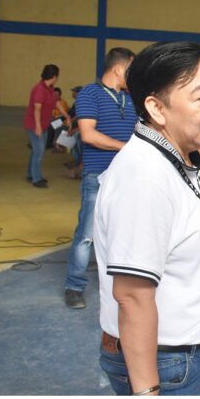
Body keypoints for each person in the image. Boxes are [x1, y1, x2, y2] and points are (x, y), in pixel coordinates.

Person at [95, 41, 200, 399]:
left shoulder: (181, 162)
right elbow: (133, 297)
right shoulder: (144, 177)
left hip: (186, 354)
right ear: (156, 107)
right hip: (163, 362)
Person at [63, 48, 138, 310]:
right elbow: (88, 135)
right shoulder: (89, 94)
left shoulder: (131, 99)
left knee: (124, 234)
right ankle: (74, 286)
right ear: (118, 69)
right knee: (87, 234)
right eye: (131, 68)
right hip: (98, 176)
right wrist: (125, 147)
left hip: (126, 178)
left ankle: (122, 287)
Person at [24, 64, 61, 188]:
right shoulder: (39, 89)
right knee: (39, 151)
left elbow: (56, 103)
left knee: (36, 150)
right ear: (54, 76)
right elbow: (37, 109)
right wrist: (38, 126)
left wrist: (66, 115)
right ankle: (37, 179)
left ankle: (31, 174)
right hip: (35, 125)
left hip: (43, 125)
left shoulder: (49, 88)